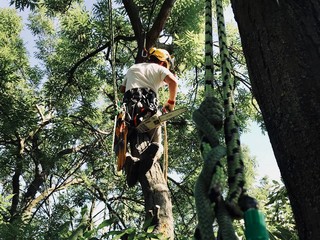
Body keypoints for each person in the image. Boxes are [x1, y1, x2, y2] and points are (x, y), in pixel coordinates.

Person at [119, 47, 178, 187]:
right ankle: (153, 152)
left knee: (124, 143)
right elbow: (173, 82)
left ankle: (131, 161)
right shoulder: (160, 69)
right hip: (147, 113)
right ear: (163, 63)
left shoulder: (133, 67)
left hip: (128, 115)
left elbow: (122, 89)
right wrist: (170, 102)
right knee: (158, 145)